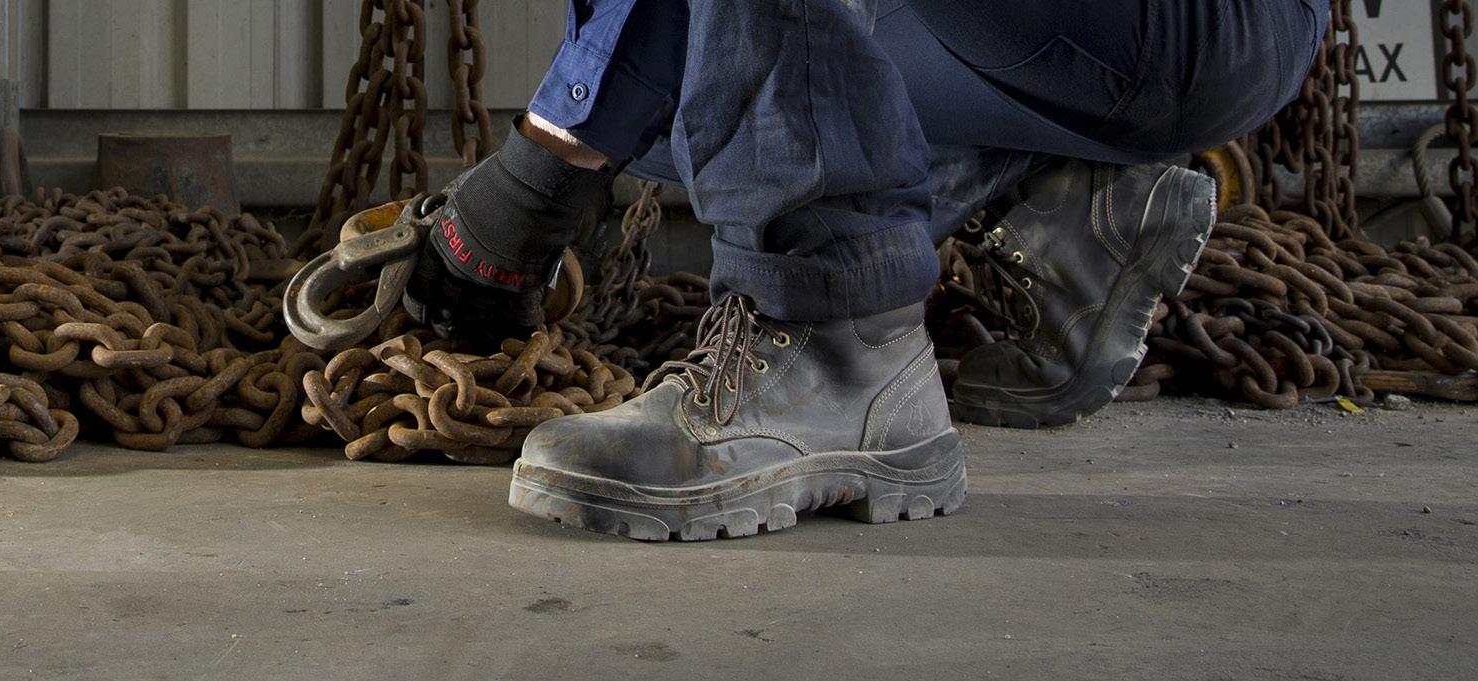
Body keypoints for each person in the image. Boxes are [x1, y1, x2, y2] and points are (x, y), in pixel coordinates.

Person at [404, 0, 1327, 540]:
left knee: (641, 99)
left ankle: (835, 336)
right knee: (675, 97)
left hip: (1189, 24)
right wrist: (547, 169)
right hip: (1066, 49)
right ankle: (1055, 205)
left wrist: (544, 162)